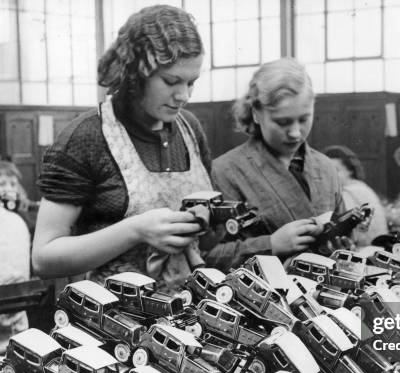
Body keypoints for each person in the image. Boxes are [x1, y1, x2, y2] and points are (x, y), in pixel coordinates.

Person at [33, 5, 211, 292]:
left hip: (189, 312)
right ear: (135, 72)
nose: (184, 96)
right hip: (113, 319)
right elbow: (44, 258)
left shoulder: (190, 128)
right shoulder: (85, 138)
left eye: (192, 82)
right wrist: (136, 230)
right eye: (171, 81)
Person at [205, 58, 344, 271]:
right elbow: (209, 257)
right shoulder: (224, 172)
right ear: (256, 113)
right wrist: (270, 244)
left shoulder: (325, 168)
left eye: (304, 119)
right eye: (283, 122)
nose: (296, 132)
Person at [323, 145, 387, 247]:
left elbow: (343, 229)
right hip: (377, 246)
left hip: (365, 250)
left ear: (350, 170)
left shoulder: (348, 192)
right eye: (326, 172)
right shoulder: (361, 187)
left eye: (336, 170)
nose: (330, 176)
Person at [0, 161, 31, 353]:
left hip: (15, 303)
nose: (9, 189)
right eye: (2, 184)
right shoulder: (14, 220)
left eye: (13, 184)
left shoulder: (18, 220)